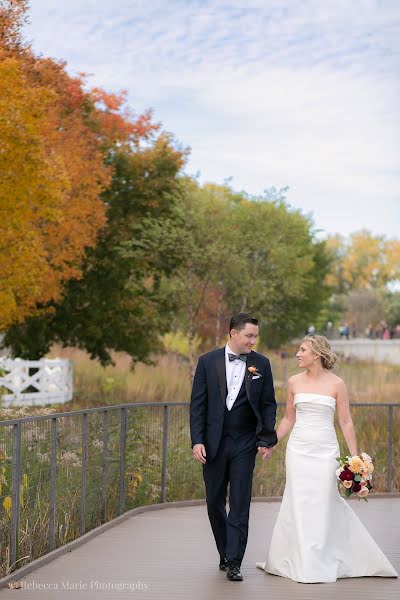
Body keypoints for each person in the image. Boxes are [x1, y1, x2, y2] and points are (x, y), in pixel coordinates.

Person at [256, 334, 398, 583]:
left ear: (317, 355)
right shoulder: (293, 382)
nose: (298, 354)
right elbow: (289, 418)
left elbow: (345, 421)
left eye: (302, 350)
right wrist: (271, 443)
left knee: (324, 501)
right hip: (298, 450)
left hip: (325, 451)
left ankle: (324, 556)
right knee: (298, 502)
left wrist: (355, 458)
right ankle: (300, 559)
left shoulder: (337, 384)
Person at [190, 313, 277, 582]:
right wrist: (197, 440)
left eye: (255, 336)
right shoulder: (207, 361)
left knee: (240, 502)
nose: (253, 340)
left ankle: (235, 561)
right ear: (233, 333)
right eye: (249, 335)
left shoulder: (262, 363)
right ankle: (225, 551)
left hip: (244, 442)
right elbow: (198, 405)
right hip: (213, 443)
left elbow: (268, 404)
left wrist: (265, 439)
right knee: (214, 501)